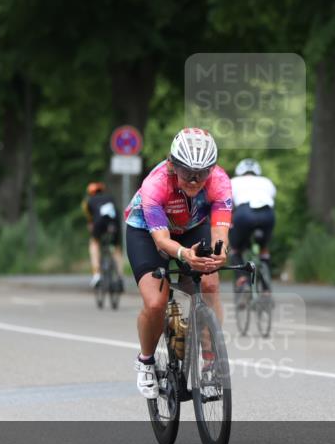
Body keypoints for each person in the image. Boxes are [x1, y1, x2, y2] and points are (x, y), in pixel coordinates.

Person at [124, 128, 231, 398]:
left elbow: (220, 230)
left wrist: (220, 252)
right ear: (172, 165)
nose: (195, 180)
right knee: (156, 302)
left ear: (213, 169)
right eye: (187, 173)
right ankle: (146, 361)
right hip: (146, 232)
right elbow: (161, 241)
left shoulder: (220, 181)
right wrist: (185, 255)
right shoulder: (156, 184)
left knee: (209, 282)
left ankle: (210, 358)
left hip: (192, 227)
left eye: (202, 173)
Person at [228, 158, 276, 289]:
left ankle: (242, 280)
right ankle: (266, 289)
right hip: (267, 214)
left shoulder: (233, 182)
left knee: (235, 248)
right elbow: (271, 200)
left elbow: (228, 208)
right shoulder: (267, 181)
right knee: (264, 248)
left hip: (244, 213)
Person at [82, 182, 124, 288]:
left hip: (99, 223)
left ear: (90, 193)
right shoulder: (110, 198)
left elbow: (90, 221)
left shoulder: (88, 201)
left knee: (94, 243)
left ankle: (97, 275)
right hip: (114, 223)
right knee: (116, 248)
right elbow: (117, 212)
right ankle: (119, 277)